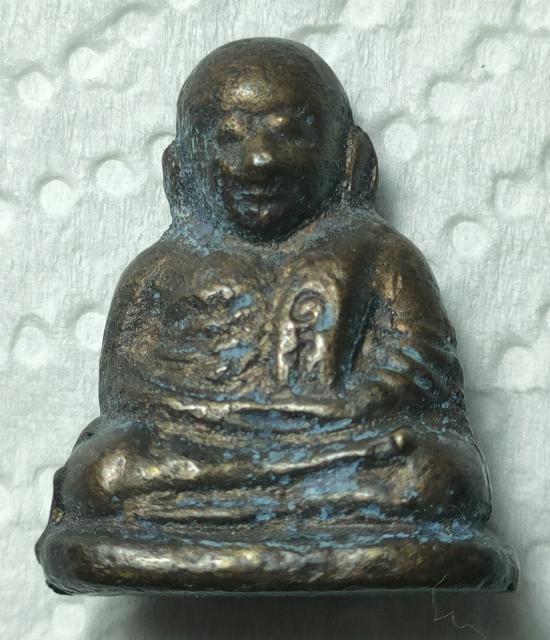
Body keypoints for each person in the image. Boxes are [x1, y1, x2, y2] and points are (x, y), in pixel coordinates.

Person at [36, 38, 518, 594]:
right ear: (182, 167)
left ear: (349, 158)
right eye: (229, 138)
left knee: (436, 472)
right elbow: (128, 393)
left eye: (289, 133)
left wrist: (349, 406)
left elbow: (423, 373)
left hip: (342, 452)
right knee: (105, 472)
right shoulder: (162, 269)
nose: (259, 160)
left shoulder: (381, 257)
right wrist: (217, 415)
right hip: (197, 457)